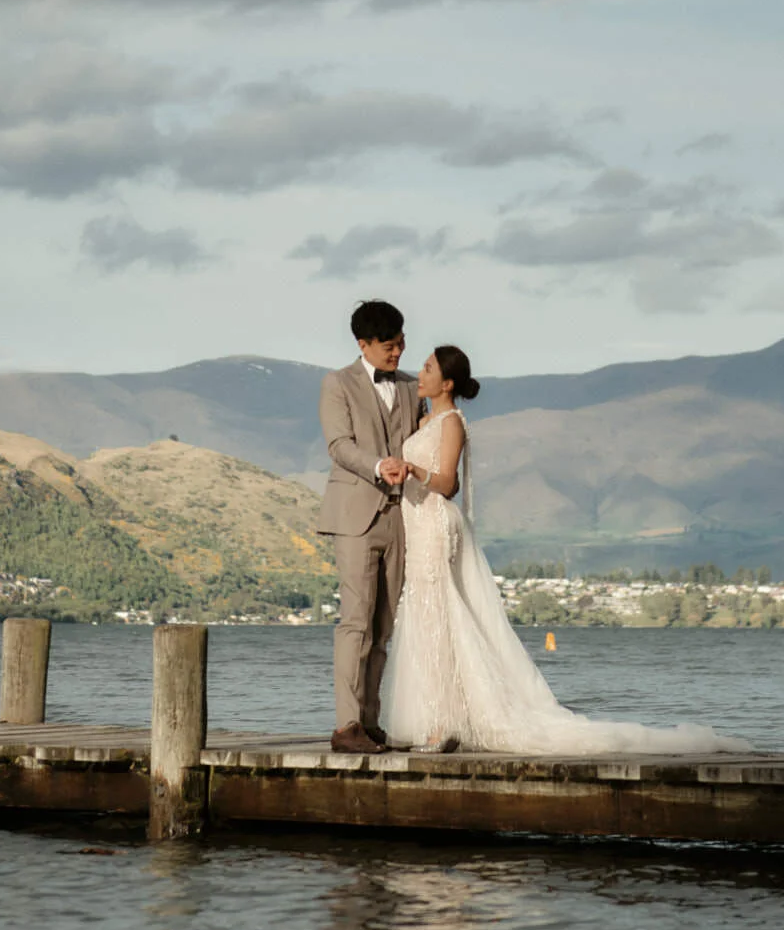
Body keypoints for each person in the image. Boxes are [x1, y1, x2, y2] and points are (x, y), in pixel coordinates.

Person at [383, 344, 752, 755]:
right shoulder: (425, 420)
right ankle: (438, 719)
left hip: (435, 524)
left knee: (439, 618)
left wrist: (413, 469)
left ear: (447, 383)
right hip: (415, 525)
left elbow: (449, 484)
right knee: (426, 619)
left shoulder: (451, 422)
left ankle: (444, 724)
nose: (420, 373)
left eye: (428, 368)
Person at [315, 299, 423, 754]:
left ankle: (371, 723)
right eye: (388, 346)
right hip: (355, 518)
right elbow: (339, 445)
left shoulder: (413, 387)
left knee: (384, 626)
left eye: (400, 343)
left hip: (402, 518)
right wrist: (379, 465)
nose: (397, 352)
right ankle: (347, 725)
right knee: (355, 622)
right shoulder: (337, 384)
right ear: (364, 344)